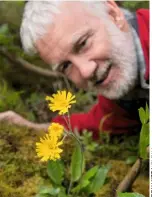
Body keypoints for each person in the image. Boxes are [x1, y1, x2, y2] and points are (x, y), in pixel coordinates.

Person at [20, 1, 149, 138]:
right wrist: (33, 128)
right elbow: (99, 123)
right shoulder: (122, 97)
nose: (85, 71)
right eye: (66, 65)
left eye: (83, 43)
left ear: (113, 15)